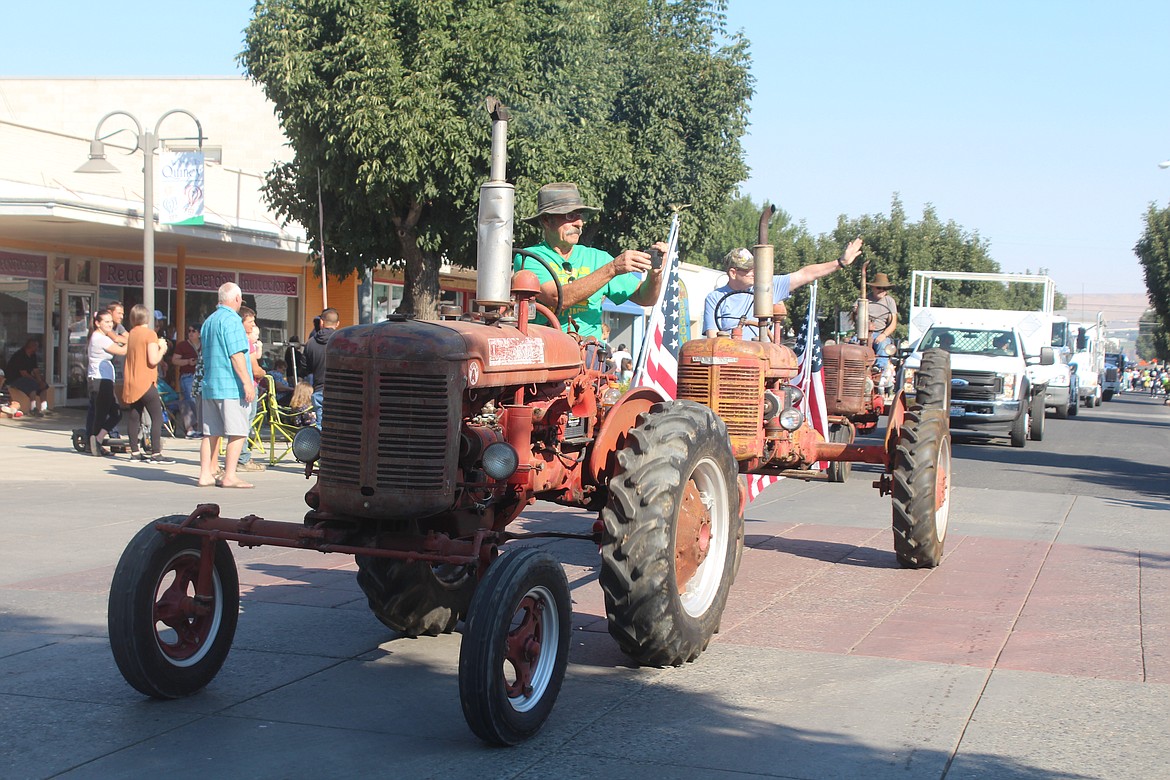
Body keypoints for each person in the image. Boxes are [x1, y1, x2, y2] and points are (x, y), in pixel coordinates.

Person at [512, 182, 667, 341]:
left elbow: (645, 298)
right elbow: (557, 298)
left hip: (591, 356)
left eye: (581, 215)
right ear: (546, 220)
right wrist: (612, 269)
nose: (579, 223)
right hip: (548, 351)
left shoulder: (599, 258)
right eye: (570, 215)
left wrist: (655, 275)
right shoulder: (528, 257)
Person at [703, 240, 863, 339]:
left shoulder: (766, 287)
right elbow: (712, 337)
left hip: (762, 356)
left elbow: (805, 274)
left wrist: (840, 262)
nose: (754, 273)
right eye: (748, 269)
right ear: (733, 272)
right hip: (728, 360)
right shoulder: (715, 298)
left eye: (755, 268)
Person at [197, 282, 257, 489]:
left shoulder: (209, 321)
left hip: (211, 384)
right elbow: (236, 354)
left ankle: (205, 474)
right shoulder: (232, 321)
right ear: (237, 299)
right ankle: (229, 475)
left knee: (210, 433)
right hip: (231, 386)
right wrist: (247, 383)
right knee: (238, 431)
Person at [121, 304, 173, 463]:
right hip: (145, 381)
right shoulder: (149, 334)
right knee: (157, 416)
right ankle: (156, 453)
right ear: (148, 318)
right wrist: (162, 348)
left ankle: (135, 452)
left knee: (134, 416)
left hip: (132, 380)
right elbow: (153, 360)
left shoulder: (132, 334)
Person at [87, 310, 127, 457]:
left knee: (115, 413)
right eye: (106, 322)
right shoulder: (99, 338)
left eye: (111, 322)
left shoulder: (102, 337)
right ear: (98, 323)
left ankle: (97, 439)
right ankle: (95, 442)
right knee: (102, 414)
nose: (110, 324)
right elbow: (121, 351)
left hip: (105, 380)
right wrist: (137, 343)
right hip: (100, 380)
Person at [235, 307, 267, 473]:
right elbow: (255, 369)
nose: (253, 325)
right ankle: (243, 458)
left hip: (238, 386)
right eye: (250, 322)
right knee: (245, 424)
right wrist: (263, 373)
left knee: (240, 424)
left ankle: (241, 456)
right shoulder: (247, 343)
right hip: (249, 387)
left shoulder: (237, 340)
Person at [304, 307, 339, 428]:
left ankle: (321, 447)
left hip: (319, 388)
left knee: (321, 424)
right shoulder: (342, 342)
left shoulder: (311, 343)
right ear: (338, 323)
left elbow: (305, 369)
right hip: (339, 389)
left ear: (321, 322)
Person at [4, 338, 52, 416]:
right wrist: (36, 381)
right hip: (15, 379)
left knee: (44, 386)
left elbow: (36, 370)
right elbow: (23, 373)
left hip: (26, 378)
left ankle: (44, 408)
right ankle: (33, 409)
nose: (37, 348)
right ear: (31, 346)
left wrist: (40, 381)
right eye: (36, 346)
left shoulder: (33, 355)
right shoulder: (20, 355)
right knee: (32, 385)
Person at [860, 272, 898, 369]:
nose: (881, 290)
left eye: (884, 288)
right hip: (862, 333)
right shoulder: (864, 299)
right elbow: (854, 315)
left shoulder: (889, 301)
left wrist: (883, 335)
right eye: (879, 288)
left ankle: (879, 369)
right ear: (873, 288)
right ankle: (855, 367)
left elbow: (893, 323)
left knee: (883, 345)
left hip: (880, 333)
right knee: (853, 344)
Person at [172, 323, 201, 402]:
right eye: (189, 331)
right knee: (192, 400)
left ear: (199, 334)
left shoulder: (204, 345)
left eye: (193, 331)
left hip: (202, 377)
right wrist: (188, 362)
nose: (190, 333)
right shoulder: (182, 345)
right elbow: (174, 360)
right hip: (187, 376)